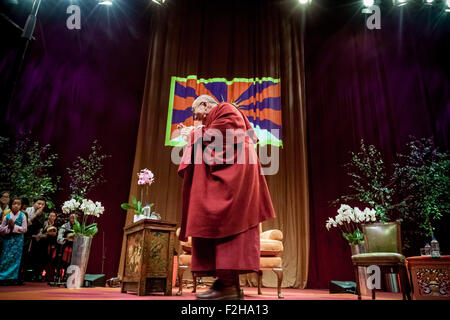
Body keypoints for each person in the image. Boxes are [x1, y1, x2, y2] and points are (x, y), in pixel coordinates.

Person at [178, 95, 276, 300]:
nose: (195, 116)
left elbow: (229, 133)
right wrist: (198, 132)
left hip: (235, 176)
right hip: (236, 173)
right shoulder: (214, 118)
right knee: (223, 226)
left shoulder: (225, 109)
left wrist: (195, 133)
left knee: (226, 223)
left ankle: (228, 286)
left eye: (195, 111)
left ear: (205, 105)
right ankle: (227, 284)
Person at [0, 197, 27, 285]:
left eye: (18, 204)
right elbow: (1, 229)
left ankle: (13, 278)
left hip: (18, 241)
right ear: (11, 205)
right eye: (14, 204)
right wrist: (8, 227)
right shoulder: (7, 216)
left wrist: (14, 227)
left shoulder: (22, 216)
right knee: (5, 258)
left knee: (15, 259)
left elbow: (24, 229)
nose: (16, 206)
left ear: (21, 206)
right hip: (8, 240)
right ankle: (3, 277)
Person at [23, 197, 46, 281]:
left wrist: (39, 234)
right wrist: (36, 214)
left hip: (33, 238)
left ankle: (28, 275)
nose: (40, 206)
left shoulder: (43, 215)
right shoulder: (27, 211)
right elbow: (26, 223)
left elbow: (40, 227)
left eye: (42, 204)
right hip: (24, 236)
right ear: (33, 203)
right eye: (39, 203)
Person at [35, 212, 58, 282]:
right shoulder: (44, 223)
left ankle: (49, 276)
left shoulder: (56, 225)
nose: (52, 217)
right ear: (48, 216)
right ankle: (38, 274)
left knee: (50, 260)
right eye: (51, 216)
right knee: (41, 259)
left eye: (54, 216)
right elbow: (39, 234)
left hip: (52, 244)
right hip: (43, 244)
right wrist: (46, 234)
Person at [56, 214, 76, 281]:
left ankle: (69, 277)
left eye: (75, 218)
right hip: (65, 247)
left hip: (74, 248)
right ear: (69, 218)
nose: (73, 219)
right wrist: (65, 239)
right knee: (64, 262)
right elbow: (59, 238)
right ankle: (61, 276)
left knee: (71, 263)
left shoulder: (78, 227)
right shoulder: (64, 226)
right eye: (72, 218)